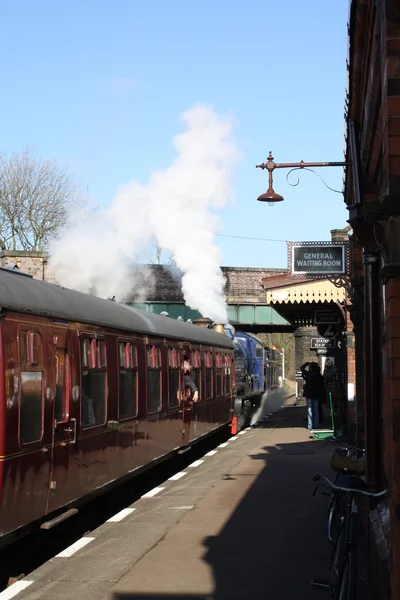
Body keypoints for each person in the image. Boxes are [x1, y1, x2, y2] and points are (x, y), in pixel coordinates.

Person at [301, 361, 325, 430]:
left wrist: (307, 363)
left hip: (309, 394)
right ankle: (316, 425)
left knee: (309, 410)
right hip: (316, 394)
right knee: (316, 410)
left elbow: (302, 368)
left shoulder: (309, 374)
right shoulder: (319, 376)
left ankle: (310, 426)